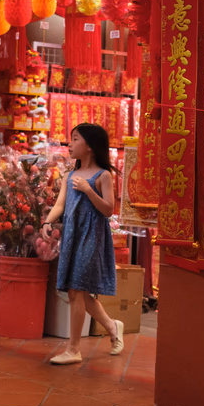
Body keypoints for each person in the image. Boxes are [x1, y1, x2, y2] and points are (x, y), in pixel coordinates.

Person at [41, 123, 123, 365]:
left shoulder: (103, 175)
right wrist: (48, 221)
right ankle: (112, 325)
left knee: (77, 289)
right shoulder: (69, 175)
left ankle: (73, 348)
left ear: (89, 145)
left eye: (75, 139)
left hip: (92, 236)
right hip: (72, 235)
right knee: (78, 289)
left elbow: (108, 210)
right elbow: (60, 205)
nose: (70, 144)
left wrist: (89, 190)